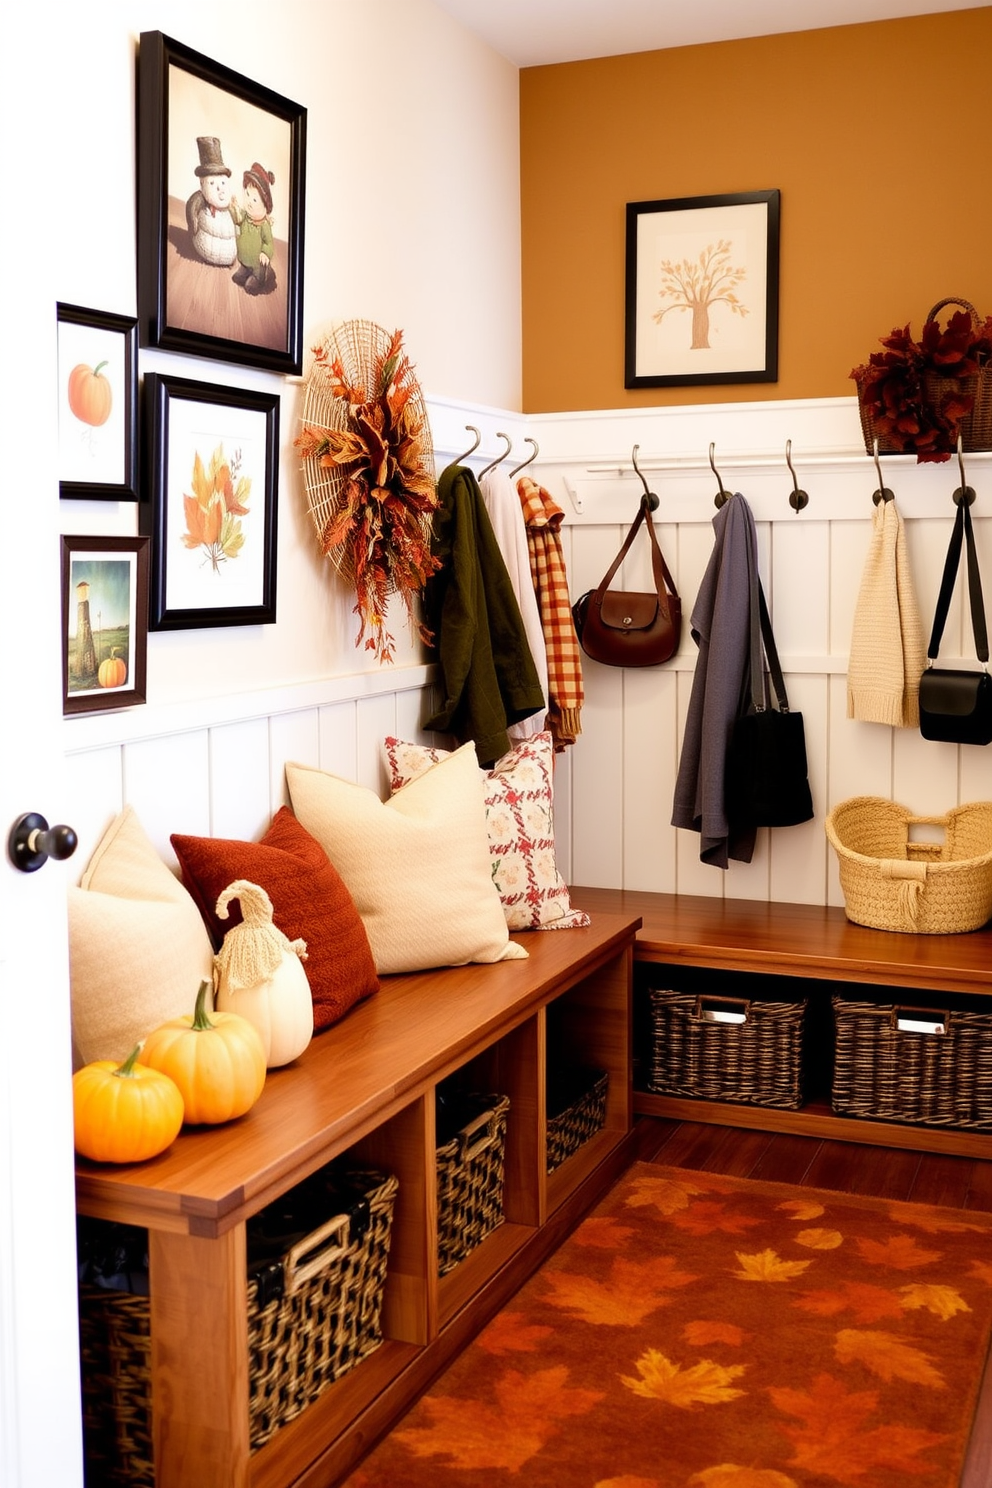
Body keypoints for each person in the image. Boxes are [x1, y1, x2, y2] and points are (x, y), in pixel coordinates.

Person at [185, 136, 237, 267]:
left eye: (223, 182)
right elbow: (192, 214)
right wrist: (194, 226)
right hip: (206, 242)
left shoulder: (229, 208)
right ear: (202, 184)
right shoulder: (199, 201)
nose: (220, 188)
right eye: (212, 183)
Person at [232, 162, 277, 295]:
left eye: (255, 200)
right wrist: (234, 208)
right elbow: (237, 219)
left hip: (258, 265)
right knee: (240, 276)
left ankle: (260, 277)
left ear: (265, 205)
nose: (249, 202)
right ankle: (245, 270)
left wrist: (265, 253)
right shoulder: (245, 216)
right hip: (246, 260)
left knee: (252, 282)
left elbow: (269, 243)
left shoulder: (264, 225)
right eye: (247, 195)